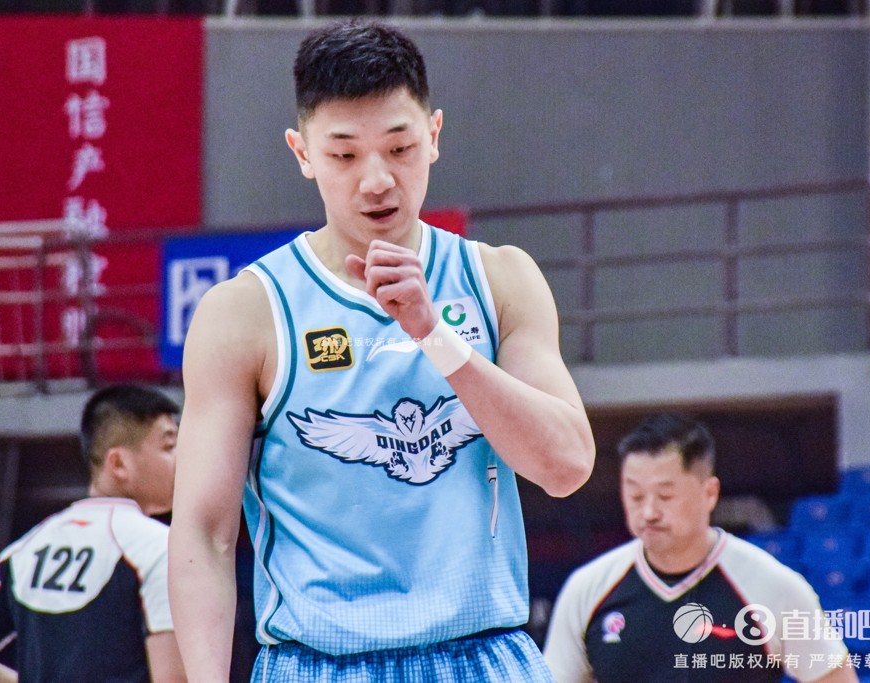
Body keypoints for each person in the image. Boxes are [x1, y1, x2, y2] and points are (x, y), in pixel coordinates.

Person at [168, 18, 595, 683]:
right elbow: (204, 532)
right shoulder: (245, 311)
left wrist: (434, 335)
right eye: (344, 155)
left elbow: (566, 465)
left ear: (434, 136)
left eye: (399, 148)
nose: (376, 180)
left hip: (486, 654)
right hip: (319, 663)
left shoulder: (500, 278)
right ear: (303, 152)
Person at [542, 412, 859, 683]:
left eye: (665, 496)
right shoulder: (587, 589)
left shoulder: (773, 586)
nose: (648, 512)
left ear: (709, 493)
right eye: (636, 496)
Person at [0, 384, 187, 683]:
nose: (184, 459)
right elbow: (175, 679)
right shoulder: (160, 548)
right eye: (169, 447)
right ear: (119, 463)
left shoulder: (23, 551)